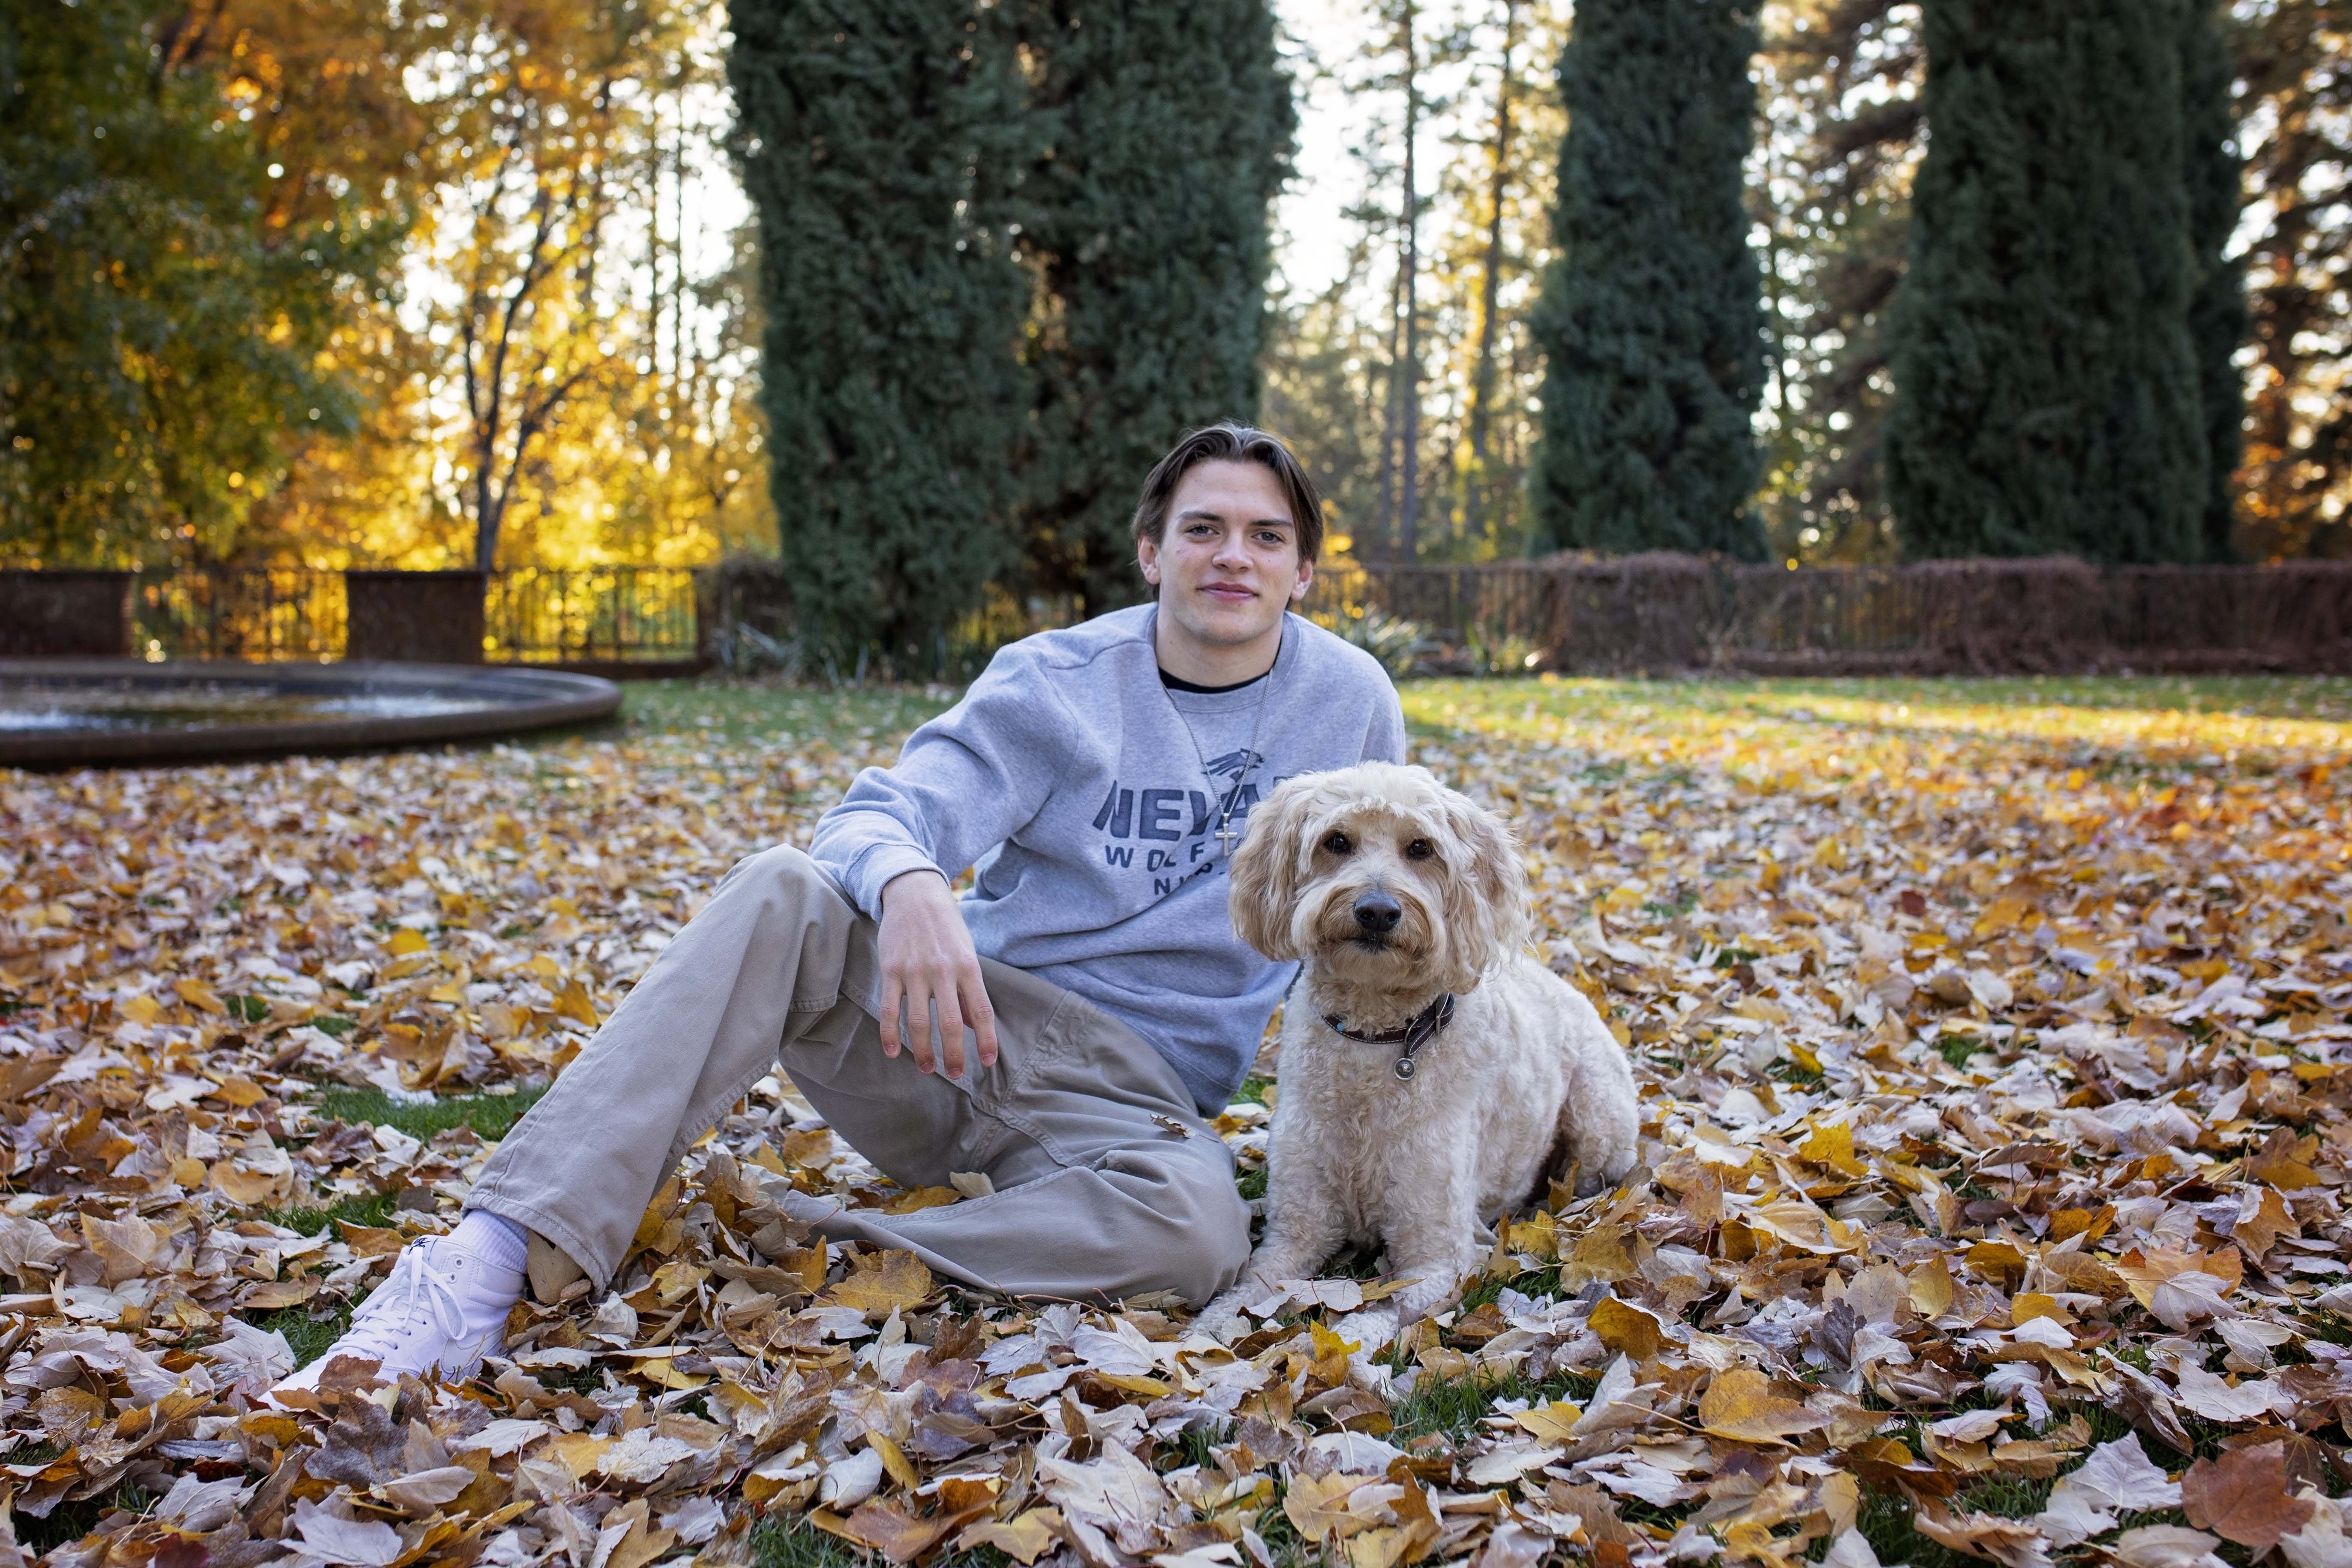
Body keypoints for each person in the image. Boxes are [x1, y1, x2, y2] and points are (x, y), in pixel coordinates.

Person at [274, 424, 1407, 1393]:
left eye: (1267, 536)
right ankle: (487, 1256)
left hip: (1136, 1106)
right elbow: (878, 814)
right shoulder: (1057, 681)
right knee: (785, 891)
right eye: (1204, 528)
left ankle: (802, 1248)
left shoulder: (1351, 702)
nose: (1233, 557)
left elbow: (1400, 900)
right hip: (964, 1032)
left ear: (1303, 568)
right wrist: (914, 883)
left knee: (1203, 1232)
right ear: (1153, 549)